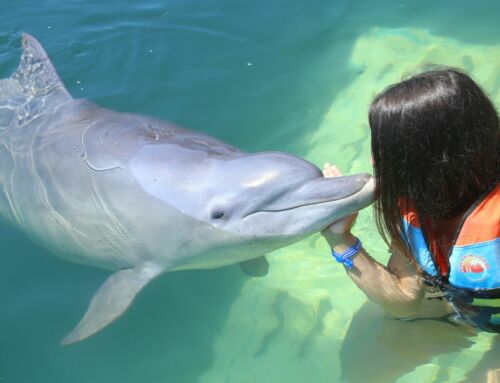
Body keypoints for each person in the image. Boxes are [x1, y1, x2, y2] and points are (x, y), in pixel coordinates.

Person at [321, 68, 499, 332]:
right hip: (470, 308)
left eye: (386, 150)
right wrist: (339, 238)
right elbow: (405, 301)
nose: (373, 160)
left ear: (431, 159)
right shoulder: (415, 203)